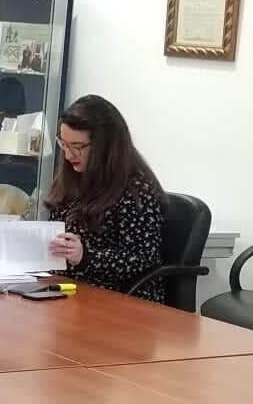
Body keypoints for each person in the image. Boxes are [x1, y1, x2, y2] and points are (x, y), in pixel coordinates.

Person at [44, 95, 167, 302]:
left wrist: (86, 257)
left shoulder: (137, 191)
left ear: (105, 146)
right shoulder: (73, 178)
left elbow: (143, 259)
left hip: (120, 299)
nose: (68, 155)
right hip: (71, 289)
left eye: (77, 147)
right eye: (64, 145)